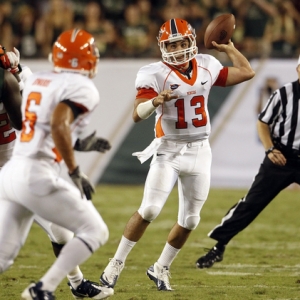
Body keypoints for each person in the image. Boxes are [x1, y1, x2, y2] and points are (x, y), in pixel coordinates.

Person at [99, 18, 255, 291]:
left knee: (191, 219)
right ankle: (115, 264)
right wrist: (154, 102)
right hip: (168, 150)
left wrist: (228, 47)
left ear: (191, 41)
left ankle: (160, 267)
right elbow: (137, 114)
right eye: (172, 44)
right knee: (149, 209)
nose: (178, 49)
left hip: (200, 151)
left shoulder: (207, 64)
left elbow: (246, 72)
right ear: (162, 47)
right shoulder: (153, 73)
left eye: (182, 42)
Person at [0, 29, 114, 300]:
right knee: (95, 230)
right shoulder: (77, 87)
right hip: (33, 173)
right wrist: (74, 171)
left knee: (7, 256)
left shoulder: (36, 79)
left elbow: (44, 127)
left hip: (14, 170)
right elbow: (56, 124)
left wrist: (81, 143)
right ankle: (43, 289)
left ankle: (75, 285)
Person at [196, 57, 300, 269]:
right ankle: (218, 246)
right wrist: (270, 149)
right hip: (282, 156)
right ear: (298, 69)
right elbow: (262, 123)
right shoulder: (284, 94)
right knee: (252, 203)